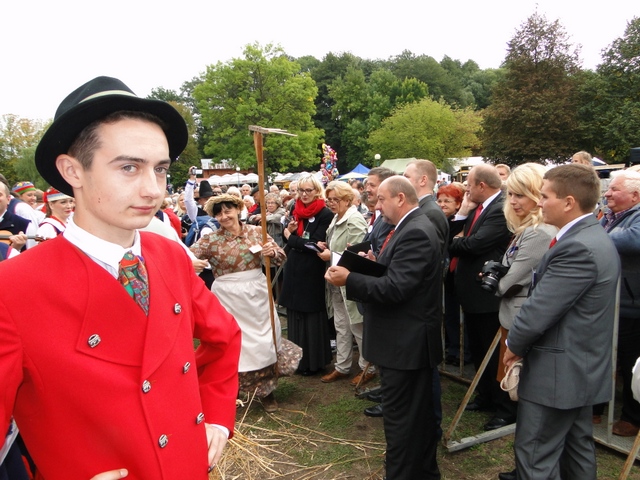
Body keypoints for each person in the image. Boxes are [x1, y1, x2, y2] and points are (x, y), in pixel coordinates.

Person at [0, 76, 241, 479]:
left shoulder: (169, 255)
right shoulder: (12, 288)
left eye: (160, 169)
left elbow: (224, 336)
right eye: (129, 167)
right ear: (72, 170)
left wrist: (216, 416)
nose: (152, 190)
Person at [504, 164, 620, 480]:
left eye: (545, 196)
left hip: (558, 373)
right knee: (575, 449)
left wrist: (514, 344)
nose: (539, 202)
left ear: (569, 202)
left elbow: (540, 309)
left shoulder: (578, 246)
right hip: (575, 368)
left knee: (535, 455)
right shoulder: (587, 236)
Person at [325, 176, 442, 480]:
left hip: (405, 344)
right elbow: (399, 275)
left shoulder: (415, 231)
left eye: (381, 199)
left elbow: (397, 288)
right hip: (402, 342)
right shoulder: (407, 227)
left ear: (400, 198)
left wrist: (350, 278)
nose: (377, 205)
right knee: (410, 420)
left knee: (403, 422)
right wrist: (373, 262)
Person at [490, 163, 557, 480]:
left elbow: (511, 279)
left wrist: (495, 282)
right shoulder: (527, 230)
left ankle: (529, 469)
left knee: (526, 395)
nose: (514, 201)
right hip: (514, 317)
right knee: (522, 396)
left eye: (521, 195)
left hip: (522, 321)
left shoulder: (538, 232)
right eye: (511, 195)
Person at [190, 194, 287, 413]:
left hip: (257, 294)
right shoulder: (211, 239)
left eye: (228, 211)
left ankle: (266, 392)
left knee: (262, 343)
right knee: (233, 344)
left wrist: (272, 252)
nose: (224, 216)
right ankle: (230, 391)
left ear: (237, 210)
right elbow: (185, 255)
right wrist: (192, 262)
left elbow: (281, 256)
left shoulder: (257, 232)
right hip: (227, 298)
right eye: (219, 213)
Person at [448, 164, 515, 431]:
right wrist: (461, 215)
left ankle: (504, 406)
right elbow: (456, 238)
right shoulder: (477, 208)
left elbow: (473, 244)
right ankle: (485, 395)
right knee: (479, 348)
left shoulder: (499, 208)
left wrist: (455, 242)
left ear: (481, 186)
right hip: (472, 294)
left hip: (487, 296)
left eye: (469, 185)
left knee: (494, 352)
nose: (466, 190)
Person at [317, 181, 374, 386]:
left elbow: (357, 253)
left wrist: (330, 254)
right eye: (329, 199)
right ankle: (342, 366)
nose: (332, 203)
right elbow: (340, 245)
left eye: (336, 199)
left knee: (357, 325)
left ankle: (368, 367)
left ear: (348, 200)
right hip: (336, 279)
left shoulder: (354, 219)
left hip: (350, 279)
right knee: (341, 325)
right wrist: (327, 246)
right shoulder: (337, 217)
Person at [596, 169, 640, 436]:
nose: (608, 193)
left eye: (615, 189)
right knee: (603, 355)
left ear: (635, 195)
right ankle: (596, 407)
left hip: (631, 306)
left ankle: (632, 417)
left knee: (631, 360)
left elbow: (634, 240)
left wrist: (593, 237)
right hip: (607, 301)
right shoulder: (609, 216)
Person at [279, 173, 333, 375]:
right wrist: (291, 234)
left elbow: (316, 245)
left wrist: (291, 237)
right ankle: (298, 361)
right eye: (301, 190)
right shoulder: (296, 210)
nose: (304, 194)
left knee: (311, 317)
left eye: (308, 190)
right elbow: (304, 242)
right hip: (294, 269)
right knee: (295, 316)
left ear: (317, 191)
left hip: (312, 271)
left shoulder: (325, 213)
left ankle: (314, 362)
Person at [436, 182, 470, 366]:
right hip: (447, 274)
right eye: (440, 201)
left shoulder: (463, 221)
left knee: (460, 314)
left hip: (460, 273)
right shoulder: (441, 221)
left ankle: (464, 351)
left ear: (458, 203)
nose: (442, 204)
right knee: (449, 313)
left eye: (447, 201)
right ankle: (454, 348)